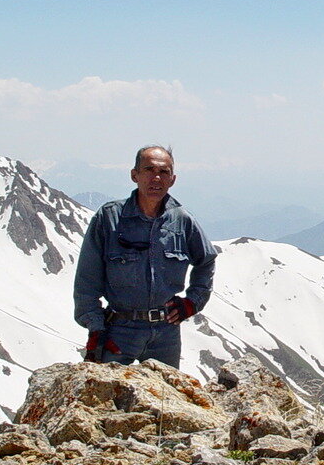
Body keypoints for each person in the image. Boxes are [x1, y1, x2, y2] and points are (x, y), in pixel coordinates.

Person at [73, 145, 217, 368]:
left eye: (164, 172)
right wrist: (95, 328)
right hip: (118, 330)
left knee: (164, 399)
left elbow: (206, 260)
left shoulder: (182, 220)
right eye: (149, 170)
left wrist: (192, 303)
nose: (156, 178)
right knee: (109, 399)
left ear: (173, 179)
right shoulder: (109, 218)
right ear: (134, 175)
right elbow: (87, 278)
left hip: (166, 333)